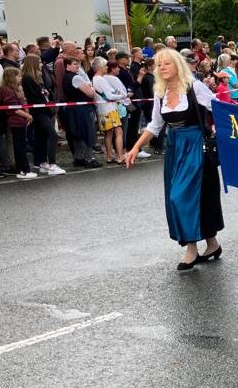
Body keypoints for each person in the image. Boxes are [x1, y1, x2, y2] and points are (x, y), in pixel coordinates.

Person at [124, 49, 224, 271]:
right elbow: (155, 125)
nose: (162, 68)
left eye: (166, 63)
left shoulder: (194, 87)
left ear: (177, 65)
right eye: (159, 65)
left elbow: (219, 107)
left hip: (196, 146)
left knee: (186, 197)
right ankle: (210, 244)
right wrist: (135, 147)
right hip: (175, 148)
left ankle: (192, 248)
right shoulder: (160, 92)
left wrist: (217, 127)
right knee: (180, 197)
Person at [21, 55, 65, 175]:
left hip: (44, 109)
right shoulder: (28, 78)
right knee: (52, 135)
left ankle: (41, 161)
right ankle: (52, 163)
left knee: (41, 137)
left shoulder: (37, 77)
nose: (41, 64)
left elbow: (45, 92)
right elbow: (34, 96)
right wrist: (43, 94)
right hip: (38, 111)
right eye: (39, 62)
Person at [0, 68, 37, 179]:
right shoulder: (9, 90)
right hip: (15, 121)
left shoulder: (11, 89)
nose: (20, 78)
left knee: (20, 145)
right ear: (12, 77)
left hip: (18, 121)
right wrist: (28, 115)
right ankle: (23, 170)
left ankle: (23, 169)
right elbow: (14, 109)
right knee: (20, 147)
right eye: (18, 76)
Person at [61, 56, 101, 168]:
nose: (77, 66)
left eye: (78, 64)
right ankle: (89, 158)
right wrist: (91, 88)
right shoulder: (76, 78)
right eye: (74, 64)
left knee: (77, 134)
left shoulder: (65, 76)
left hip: (73, 109)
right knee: (86, 132)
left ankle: (78, 158)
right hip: (82, 109)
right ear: (67, 65)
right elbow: (90, 93)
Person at [92, 58, 128, 164]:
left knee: (108, 133)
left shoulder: (96, 78)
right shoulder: (100, 79)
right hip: (109, 108)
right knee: (119, 131)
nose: (107, 67)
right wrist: (122, 95)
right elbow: (109, 95)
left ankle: (109, 156)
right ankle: (120, 156)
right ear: (99, 67)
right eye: (105, 66)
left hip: (103, 109)